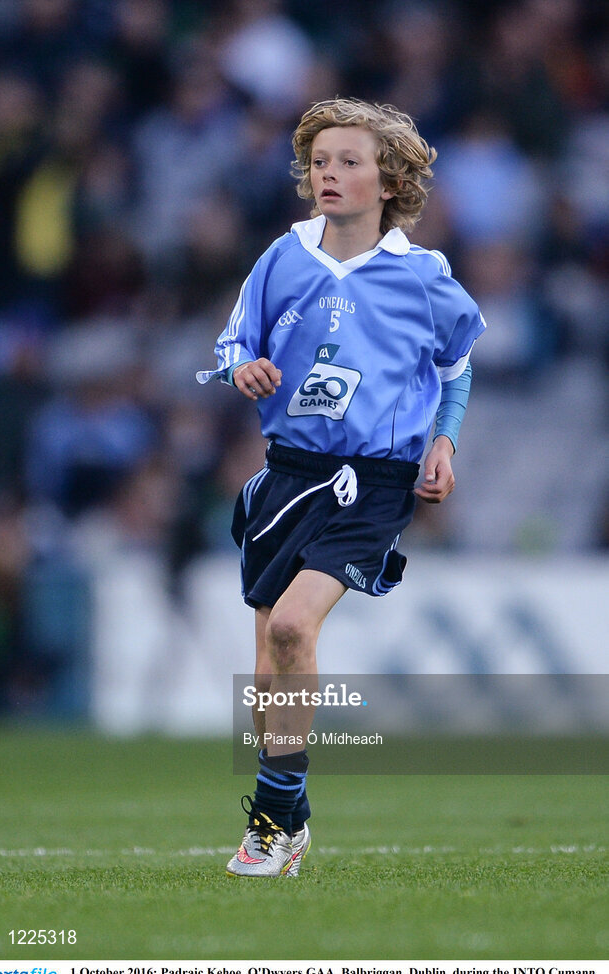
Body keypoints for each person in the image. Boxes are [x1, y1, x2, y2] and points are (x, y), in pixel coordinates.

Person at [196, 98, 486, 877]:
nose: (329, 174)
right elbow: (232, 345)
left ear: (389, 180)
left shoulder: (424, 278)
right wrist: (241, 368)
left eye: (349, 162)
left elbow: (456, 366)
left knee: (293, 628)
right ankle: (289, 816)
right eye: (320, 162)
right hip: (288, 475)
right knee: (266, 665)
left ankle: (266, 825)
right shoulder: (282, 258)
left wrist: (445, 442)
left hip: (374, 482)